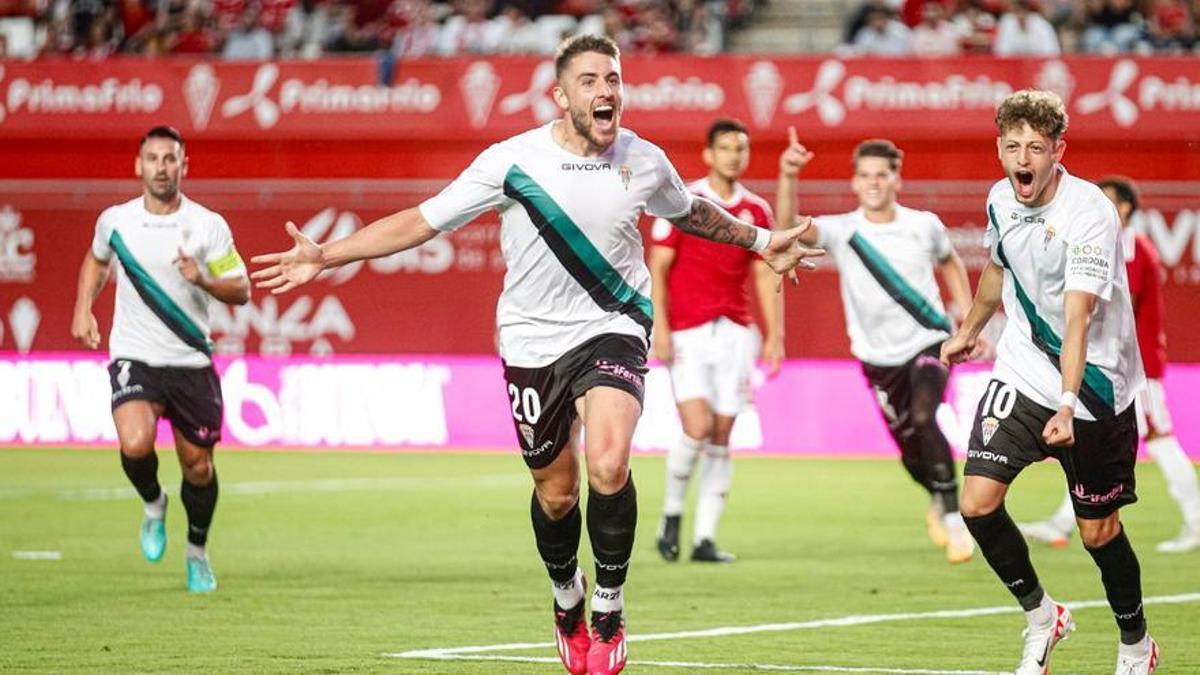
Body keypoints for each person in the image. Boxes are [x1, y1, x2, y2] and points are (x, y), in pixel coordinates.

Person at [250, 34, 822, 675]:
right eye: (590, 81)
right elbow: (422, 220)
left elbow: (691, 213)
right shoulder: (511, 161)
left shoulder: (645, 158)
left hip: (614, 325)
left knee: (608, 464)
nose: (606, 91)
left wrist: (763, 239)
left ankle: (608, 605)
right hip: (530, 341)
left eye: (613, 78)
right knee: (557, 493)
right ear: (560, 95)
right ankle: (566, 597)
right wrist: (326, 254)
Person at [942, 90, 1158, 673]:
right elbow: (997, 267)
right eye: (1012, 146)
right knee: (977, 504)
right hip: (1023, 366)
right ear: (999, 148)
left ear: (1059, 151)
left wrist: (1066, 404)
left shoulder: (1090, 212)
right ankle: (1043, 617)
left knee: (1098, 531)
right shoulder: (999, 199)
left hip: (1093, 386)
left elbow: (1078, 316)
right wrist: (969, 330)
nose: (1022, 158)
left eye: (1035, 147)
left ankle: (1137, 643)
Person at [776, 131, 977, 564]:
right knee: (909, 449)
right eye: (865, 175)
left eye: (881, 175)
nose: (873, 182)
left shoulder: (923, 224)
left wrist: (967, 320)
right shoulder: (843, 230)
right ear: (854, 182)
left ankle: (955, 516)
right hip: (877, 359)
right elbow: (788, 225)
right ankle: (937, 497)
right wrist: (789, 174)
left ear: (896, 180)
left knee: (925, 417)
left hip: (930, 340)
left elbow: (950, 262)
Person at [71, 126, 250, 594]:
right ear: (139, 166)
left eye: (170, 159)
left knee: (199, 468)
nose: (161, 167)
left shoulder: (208, 224)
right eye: (153, 159)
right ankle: (154, 504)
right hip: (135, 354)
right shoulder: (116, 222)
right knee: (134, 442)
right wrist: (82, 306)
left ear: (183, 166)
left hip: (190, 362)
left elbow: (243, 289)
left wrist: (206, 279)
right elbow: (96, 259)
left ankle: (196, 551)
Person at [1018, 177, 1200, 553]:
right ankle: (1061, 522)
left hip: (1136, 371)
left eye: (1107, 203)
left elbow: (1118, 304)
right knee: (1092, 446)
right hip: (1113, 369)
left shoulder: (1129, 246)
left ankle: (1196, 520)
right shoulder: (1115, 245)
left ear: (1125, 210)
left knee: (1161, 441)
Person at [649, 118, 784, 565]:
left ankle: (705, 537)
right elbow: (659, 268)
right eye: (725, 147)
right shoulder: (684, 202)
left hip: (736, 332)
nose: (734, 155)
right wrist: (660, 328)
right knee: (697, 427)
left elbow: (765, 275)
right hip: (688, 329)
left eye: (740, 148)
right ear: (709, 154)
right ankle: (671, 514)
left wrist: (774, 333)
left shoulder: (756, 211)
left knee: (723, 434)